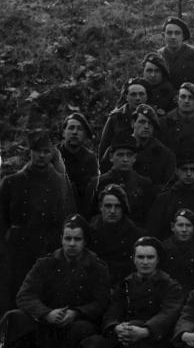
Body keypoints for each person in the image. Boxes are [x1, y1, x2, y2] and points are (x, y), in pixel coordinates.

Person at [0, 217, 109, 348]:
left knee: (80, 330)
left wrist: (76, 313)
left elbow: (101, 302)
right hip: (47, 318)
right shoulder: (46, 263)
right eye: (68, 238)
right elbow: (25, 294)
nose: (72, 244)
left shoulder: (96, 267)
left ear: (85, 241)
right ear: (61, 239)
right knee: (13, 317)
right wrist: (46, 313)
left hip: (78, 321)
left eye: (77, 239)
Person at [83, 236, 184, 348]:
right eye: (141, 257)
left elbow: (168, 314)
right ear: (134, 259)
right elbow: (112, 311)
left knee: (134, 330)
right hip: (126, 335)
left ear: (158, 260)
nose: (145, 262)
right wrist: (116, 327)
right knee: (92, 343)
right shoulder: (126, 284)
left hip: (155, 340)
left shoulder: (169, 285)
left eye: (150, 257)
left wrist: (145, 330)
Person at [0, 130, 77, 310]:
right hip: (17, 250)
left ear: (52, 153)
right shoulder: (11, 182)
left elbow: (68, 220)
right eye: (37, 151)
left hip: (48, 249)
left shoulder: (61, 184)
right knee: (14, 298)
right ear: (30, 152)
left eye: (46, 151)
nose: (42, 156)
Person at [87, 184, 145, 285]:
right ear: (100, 207)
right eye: (108, 206)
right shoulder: (89, 232)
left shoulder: (135, 235)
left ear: (123, 208)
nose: (112, 211)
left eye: (117, 206)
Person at [57, 113, 99, 208]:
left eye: (79, 129)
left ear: (84, 135)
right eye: (71, 128)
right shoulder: (53, 155)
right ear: (64, 132)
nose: (75, 132)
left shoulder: (90, 159)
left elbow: (92, 191)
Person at [156, 16, 194, 88]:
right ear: (163, 35)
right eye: (169, 33)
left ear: (183, 36)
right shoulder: (157, 57)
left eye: (177, 33)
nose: (173, 37)